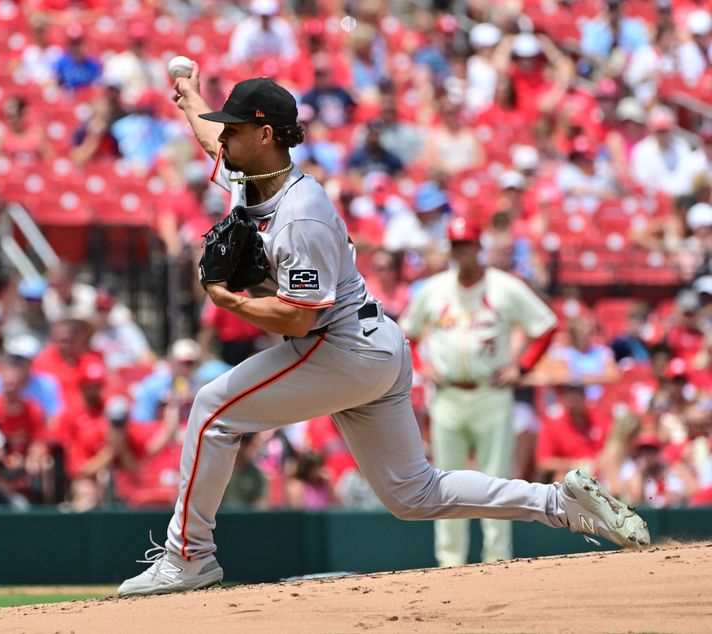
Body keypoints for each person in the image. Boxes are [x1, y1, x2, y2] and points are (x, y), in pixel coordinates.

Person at [116, 70, 650, 597]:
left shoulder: (302, 214)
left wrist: (229, 300)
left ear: (266, 136)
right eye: (223, 128)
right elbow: (214, 142)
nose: (223, 137)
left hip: (342, 345)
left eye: (234, 129)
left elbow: (300, 317)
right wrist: (190, 101)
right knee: (414, 494)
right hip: (373, 346)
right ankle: (562, 504)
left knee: (212, 408)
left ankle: (189, 557)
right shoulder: (251, 177)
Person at [400, 218, 559, 567]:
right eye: (456, 245)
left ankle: (497, 561)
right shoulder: (435, 288)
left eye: (467, 244)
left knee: (496, 481)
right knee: (443, 486)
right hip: (448, 398)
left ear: (478, 246)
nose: (461, 251)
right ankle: (449, 563)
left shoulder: (504, 286)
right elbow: (404, 332)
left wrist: (522, 368)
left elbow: (546, 325)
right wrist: (421, 367)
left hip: (491, 394)